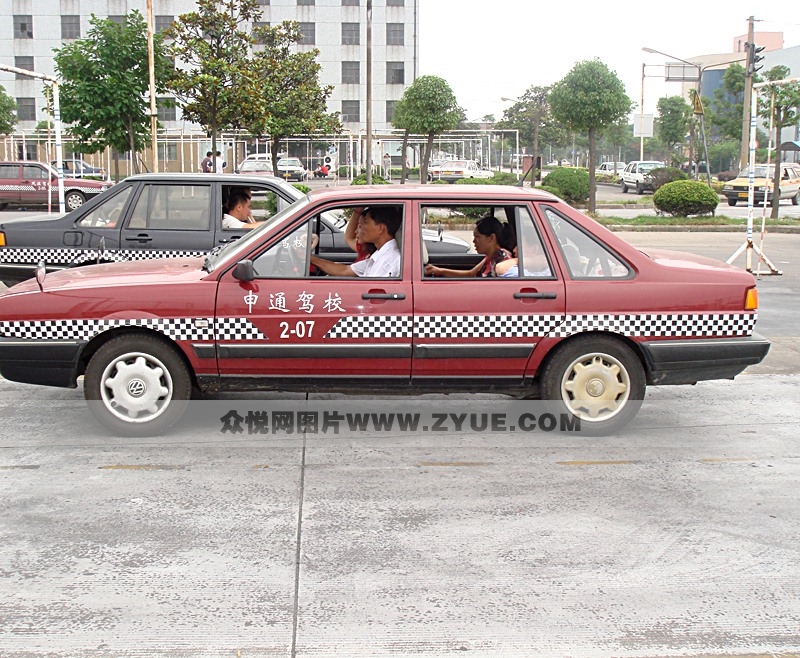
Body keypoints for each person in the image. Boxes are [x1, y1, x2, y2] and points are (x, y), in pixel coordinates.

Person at [310, 206, 401, 277]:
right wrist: (311, 258)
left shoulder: (388, 261)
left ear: (381, 228)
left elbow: (371, 292)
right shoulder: (380, 254)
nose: (358, 230)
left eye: (365, 223)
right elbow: (345, 270)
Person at [425, 215, 514, 278]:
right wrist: (439, 271)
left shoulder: (503, 260)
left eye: (477, 237)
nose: (474, 241)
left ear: (491, 238)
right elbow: (470, 274)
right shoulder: (490, 257)